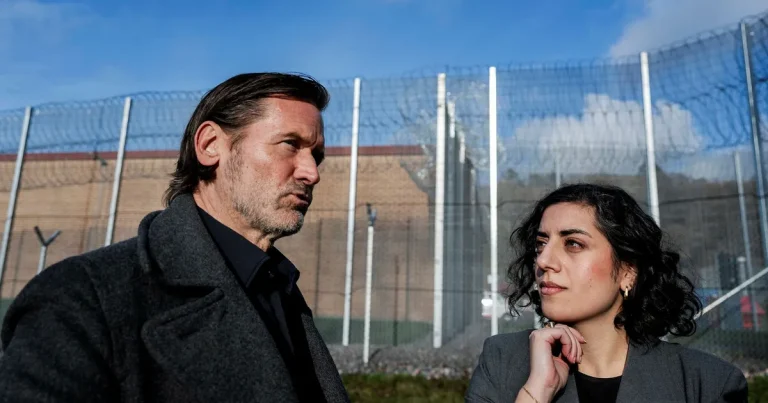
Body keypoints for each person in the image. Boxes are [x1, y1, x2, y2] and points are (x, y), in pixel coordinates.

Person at [0, 73, 350, 403]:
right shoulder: (81, 298)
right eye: (290, 144)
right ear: (210, 145)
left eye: (316, 156)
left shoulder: (279, 288)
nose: (312, 173)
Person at [466, 183, 748, 403]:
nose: (543, 260)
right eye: (541, 244)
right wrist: (537, 392)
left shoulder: (707, 384)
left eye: (573, 243)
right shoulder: (503, 361)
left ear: (628, 271)